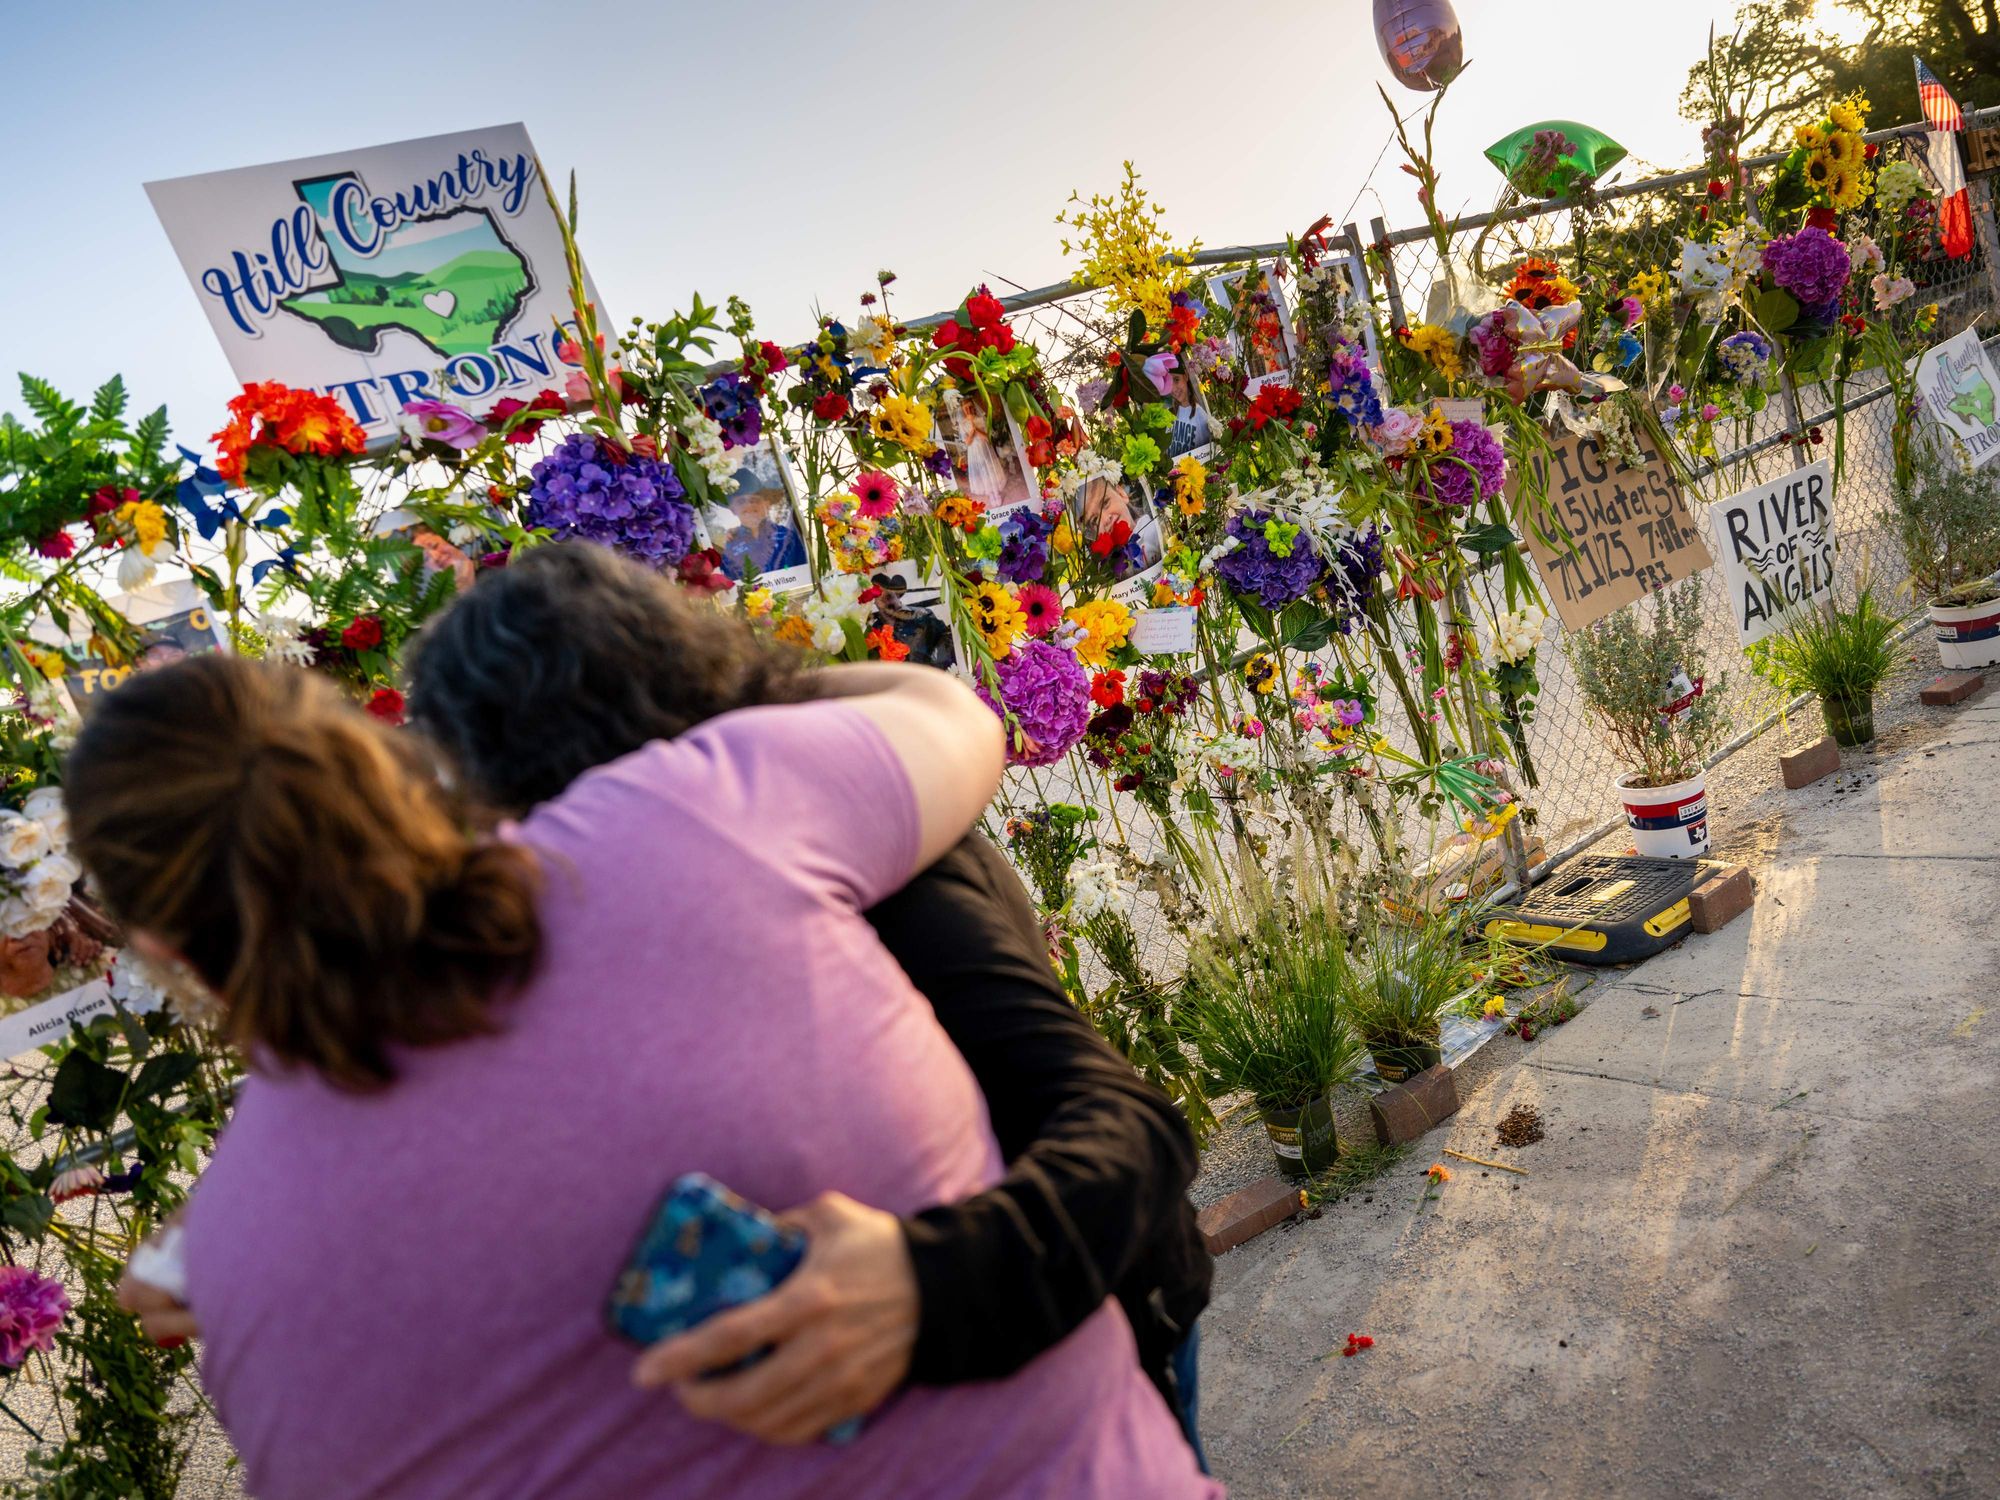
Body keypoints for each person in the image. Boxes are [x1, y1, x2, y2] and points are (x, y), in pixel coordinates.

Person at [78, 649, 1220, 1498]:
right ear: (378, 763)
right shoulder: (686, 817)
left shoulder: (239, 1271)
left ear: (164, 945)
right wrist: (725, 685)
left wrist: (237, 1237)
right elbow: (940, 710)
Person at [402, 544, 1211, 1460]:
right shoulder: (672, 883)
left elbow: (1132, 1134)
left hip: (1094, 1334)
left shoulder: (837, 856)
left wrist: (926, 1281)